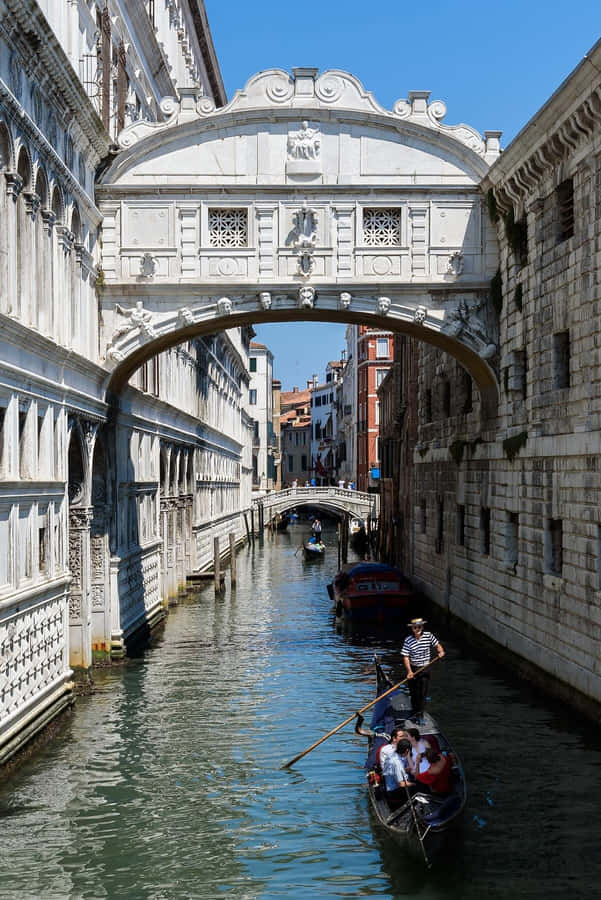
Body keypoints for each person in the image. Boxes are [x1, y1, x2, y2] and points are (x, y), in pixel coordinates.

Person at [402, 618, 445, 724]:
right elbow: (406, 657)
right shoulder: (408, 640)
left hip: (425, 668)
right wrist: (409, 672)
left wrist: (440, 651)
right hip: (414, 669)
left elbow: (438, 645)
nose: (418, 629)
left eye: (420, 627)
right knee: (414, 693)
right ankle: (414, 712)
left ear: (422, 627)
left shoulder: (428, 636)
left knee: (422, 693)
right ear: (412, 628)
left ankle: (420, 714)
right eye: (415, 627)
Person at [381, 736, 416, 809]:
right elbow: (401, 784)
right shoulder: (398, 763)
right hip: (394, 791)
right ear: (407, 751)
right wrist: (414, 784)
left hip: (388, 783)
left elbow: (393, 770)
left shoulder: (392, 754)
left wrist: (405, 770)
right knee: (419, 786)